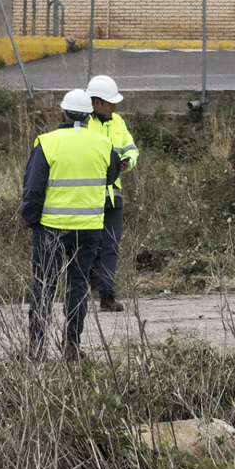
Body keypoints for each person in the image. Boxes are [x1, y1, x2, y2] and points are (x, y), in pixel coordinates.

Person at [21, 86, 119, 357]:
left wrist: (31, 220)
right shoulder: (103, 143)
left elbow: (33, 188)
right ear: (89, 115)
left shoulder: (47, 142)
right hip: (89, 229)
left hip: (52, 228)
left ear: (61, 113)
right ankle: (72, 346)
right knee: (78, 285)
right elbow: (110, 177)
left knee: (44, 285)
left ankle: (36, 348)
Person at [86, 74, 139, 312]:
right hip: (89, 195)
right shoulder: (83, 124)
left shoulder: (118, 122)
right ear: (96, 103)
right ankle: (87, 283)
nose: (115, 107)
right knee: (89, 244)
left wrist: (129, 161)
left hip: (113, 194)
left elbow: (131, 148)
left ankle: (107, 294)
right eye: (110, 103)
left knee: (110, 245)